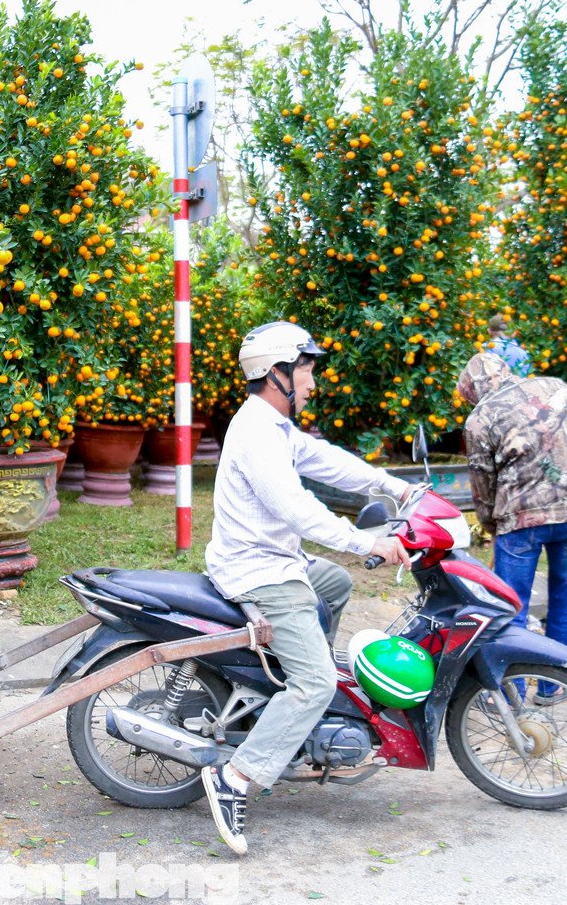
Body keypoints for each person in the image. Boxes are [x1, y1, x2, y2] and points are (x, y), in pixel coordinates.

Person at [200, 321, 415, 856]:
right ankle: (236, 777)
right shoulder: (256, 432)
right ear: (276, 372)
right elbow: (297, 509)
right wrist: (365, 542)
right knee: (316, 682)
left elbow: (327, 461)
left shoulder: (274, 426)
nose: (313, 383)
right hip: (261, 573)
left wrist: (393, 485)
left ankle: (289, 691)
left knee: (334, 582)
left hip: (281, 562)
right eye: (306, 371)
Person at [456, 353, 567, 705]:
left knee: (511, 608)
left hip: (519, 524)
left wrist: (491, 525)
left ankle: (512, 693)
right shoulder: (558, 388)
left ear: (471, 390)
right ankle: (553, 686)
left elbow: (482, 484)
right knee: (566, 602)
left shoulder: (479, 419)